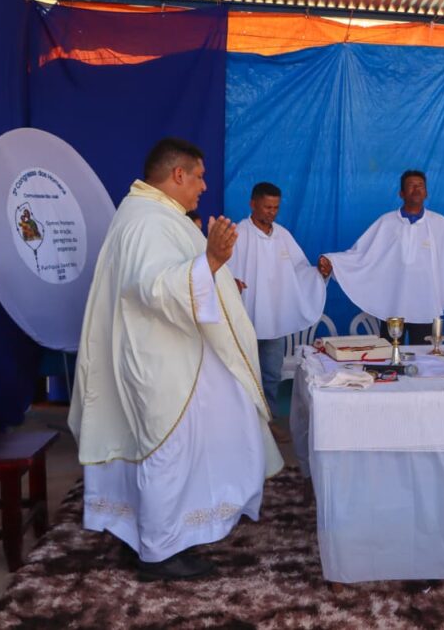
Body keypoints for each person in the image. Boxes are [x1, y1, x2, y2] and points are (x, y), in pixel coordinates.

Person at [69, 137, 283, 581]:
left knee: (157, 450)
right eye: (199, 176)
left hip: (161, 355)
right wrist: (212, 260)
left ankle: (143, 533)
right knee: (167, 451)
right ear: (178, 174)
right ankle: (160, 553)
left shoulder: (151, 212)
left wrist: (213, 269)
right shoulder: (149, 220)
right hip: (162, 365)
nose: (204, 186)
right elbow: (153, 289)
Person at [320, 170, 444, 345]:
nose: (417, 189)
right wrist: (332, 262)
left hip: (425, 305)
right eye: (411, 185)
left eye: (421, 185)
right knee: (390, 358)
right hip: (392, 305)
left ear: (426, 193)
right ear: (401, 193)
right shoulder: (386, 223)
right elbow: (361, 255)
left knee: (425, 360)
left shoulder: (439, 224)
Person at [227, 182, 330, 442]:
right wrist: (230, 283)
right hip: (244, 319)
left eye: (275, 208)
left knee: (272, 375)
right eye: (267, 207)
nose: (272, 212)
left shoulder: (282, 235)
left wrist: (318, 274)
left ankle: (269, 423)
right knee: (244, 375)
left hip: (274, 320)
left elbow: (300, 269)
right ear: (252, 204)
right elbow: (219, 269)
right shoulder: (238, 233)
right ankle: (243, 427)